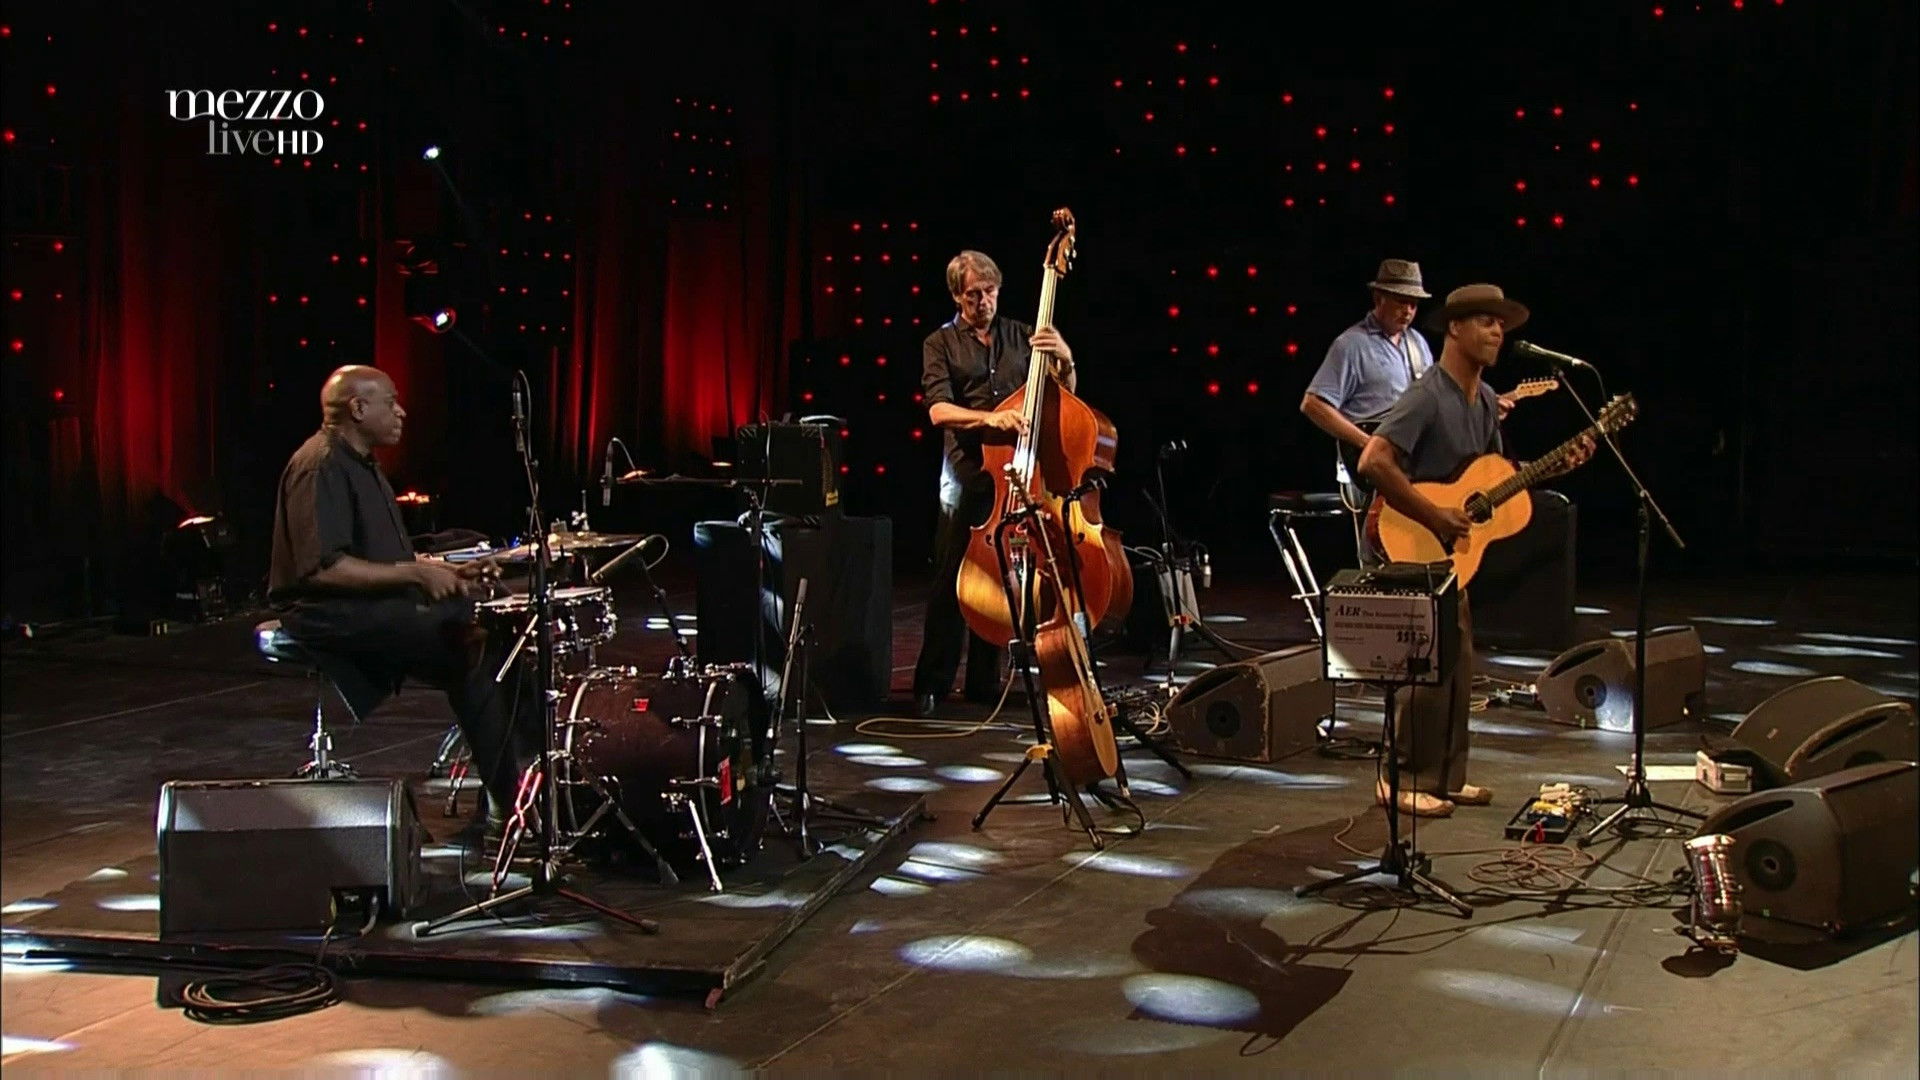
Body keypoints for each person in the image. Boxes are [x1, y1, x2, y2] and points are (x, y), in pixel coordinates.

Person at [1357, 284, 1591, 817]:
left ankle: (1444, 777)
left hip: (1450, 554)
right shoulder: (1427, 394)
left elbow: (1489, 479)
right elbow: (1374, 461)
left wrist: (1552, 467)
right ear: (1455, 328)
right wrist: (1433, 515)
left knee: (1458, 669)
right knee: (1422, 671)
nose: (1498, 332)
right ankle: (1400, 779)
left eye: (1501, 324)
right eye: (1486, 321)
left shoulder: (1483, 398)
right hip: (1409, 540)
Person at [267, 365, 520, 836]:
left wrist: (450, 572)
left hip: (362, 603)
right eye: (391, 402)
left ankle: (514, 796)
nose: (401, 412)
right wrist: (416, 574)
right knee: (467, 641)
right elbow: (323, 569)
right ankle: (510, 809)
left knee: (503, 626)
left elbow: (384, 558)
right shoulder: (319, 465)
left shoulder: (363, 463)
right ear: (358, 408)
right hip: (323, 614)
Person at [912, 250, 1075, 718]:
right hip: (965, 472)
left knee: (1001, 578)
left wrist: (1066, 359)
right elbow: (938, 410)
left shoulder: (1024, 335)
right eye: (973, 295)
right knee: (950, 578)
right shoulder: (939, 343)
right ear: (956, 296)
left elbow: (1063, 394)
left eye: (990, 292)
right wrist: (991, 418)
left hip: (1016, 471)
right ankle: (932, 683)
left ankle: (984, 683)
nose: (983, 301)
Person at [1300, 259, 1435, 562]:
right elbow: (1313, 404)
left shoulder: (1418, 344)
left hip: (1412, 461)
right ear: (1378, 298)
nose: (1408, 310)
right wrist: (1368, 443)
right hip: (1370, 463)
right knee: (1377, 549)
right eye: (1401, 301)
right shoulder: (1350, 345)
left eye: (1414, 304)